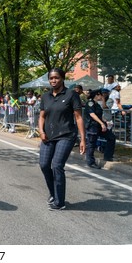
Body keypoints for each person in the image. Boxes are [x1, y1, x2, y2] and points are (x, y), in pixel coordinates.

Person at [38, 68, 86, 211]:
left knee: (57, 165)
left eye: (57, 78)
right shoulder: (45, 96)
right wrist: (41, 131)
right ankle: (53, 193)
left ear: (63, 79)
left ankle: (60, 202)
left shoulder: (71, 95)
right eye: (51, 78)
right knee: (44, 165)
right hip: (48, 136)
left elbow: (78, 117)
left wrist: (83, 139)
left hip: (66, 135)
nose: (54, 81)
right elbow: (41, 117)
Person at [84, 90, 108, 169]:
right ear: (97, 95)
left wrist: (104, 121)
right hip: (92, 126)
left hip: (98, 126)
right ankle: (90, 162)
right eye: (101, 95)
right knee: (91, 144)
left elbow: (99, 114)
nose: (102, 96)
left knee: (111, 137)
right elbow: (92, 114)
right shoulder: (90, 103)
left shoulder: (97, 104)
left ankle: (108, 156)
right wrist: (101, 123)